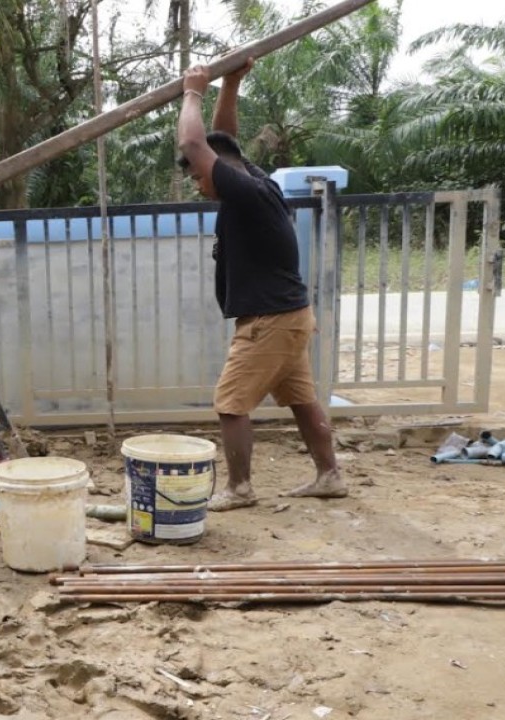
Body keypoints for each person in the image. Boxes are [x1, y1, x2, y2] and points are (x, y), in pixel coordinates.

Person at [175, 58, 346, 511]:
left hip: (270, 321)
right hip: (289, 315)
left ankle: (240, 488)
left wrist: (194, 90)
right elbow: (221, 139)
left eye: (197, 177)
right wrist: (231, 83)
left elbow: (195, 142)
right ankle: (329, 476)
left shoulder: (246, 194)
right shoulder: (255, 182)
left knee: (230, 402)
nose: (197, 185)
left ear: (218, 170)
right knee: (301, 399)